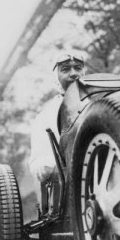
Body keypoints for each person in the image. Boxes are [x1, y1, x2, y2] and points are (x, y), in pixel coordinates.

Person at [29, 52, 85, 183]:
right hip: (68, 186)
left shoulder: (100, 102)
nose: (73, 73)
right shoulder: (44, 117)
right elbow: (38, 166)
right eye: (65, 69)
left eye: (78, 68)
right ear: (55, 76)